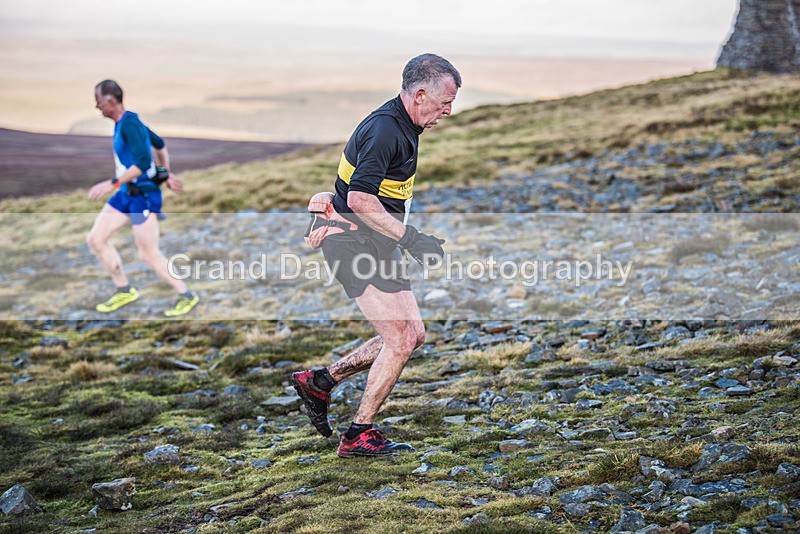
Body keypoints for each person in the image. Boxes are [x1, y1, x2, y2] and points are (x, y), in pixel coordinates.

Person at [292, 54, 461, 458]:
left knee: (413, 334)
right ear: (420, 95)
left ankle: (320, 381)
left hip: (376, 242)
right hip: (352, 243)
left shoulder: (405, 124)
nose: (448, 111)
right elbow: (360, 198)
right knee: (400, 339)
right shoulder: (387, 129)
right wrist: (411, 238)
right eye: (444, 102)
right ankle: (358, 434)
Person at [86, 79, 199, 316]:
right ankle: (124, 290)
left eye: (98, 101)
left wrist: (112, 183)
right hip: (126, 194)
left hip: (142, 198)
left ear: (111, 100)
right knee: (96, 239)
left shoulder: (130, 124)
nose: (97, 107)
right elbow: (159, 144)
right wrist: (165, 171)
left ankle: (186, 295)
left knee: (148, 255)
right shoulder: (123, 124)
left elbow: (143, 162)